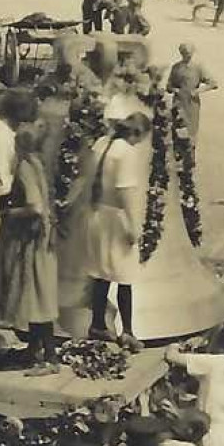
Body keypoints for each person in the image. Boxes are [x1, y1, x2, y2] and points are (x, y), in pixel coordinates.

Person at [0, 126, 61, 374]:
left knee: (36, 296)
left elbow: (35, 206)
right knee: (35, 296)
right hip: (41, 239)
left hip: (31, 240)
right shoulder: (37, 163)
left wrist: (9, 213)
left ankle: (50, 358)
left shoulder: (23, 166)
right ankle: (34, 349)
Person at [85, 112, 150, 344]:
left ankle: (97, 324)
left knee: (101, 274)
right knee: (125, 276)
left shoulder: (103, 144)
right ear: (136, 134)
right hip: (117, 218)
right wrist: (133, 226)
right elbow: (124, 192)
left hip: (97, 213)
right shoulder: (126, 153)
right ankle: (128, 331)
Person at [167, 43, 218, 161]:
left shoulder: (198, 68)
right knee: (177, 131)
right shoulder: (176, 68)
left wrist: (198, 91)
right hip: (178, 103)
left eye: (189, 53)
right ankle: (177, 161)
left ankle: (189, 162)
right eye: (184, 53)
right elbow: (169, 85)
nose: (187, 56)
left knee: (190, 134)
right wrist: (175, 89)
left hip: (191, 105)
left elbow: (213, 83)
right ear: (181, 53)